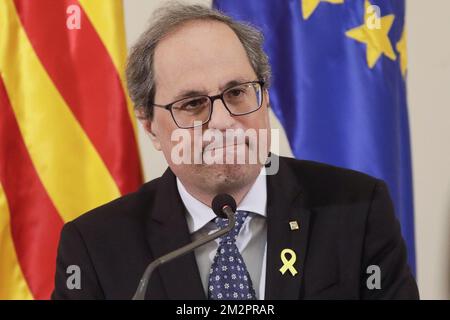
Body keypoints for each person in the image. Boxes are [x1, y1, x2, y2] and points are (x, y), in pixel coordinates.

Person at [52, 3, 419, 300]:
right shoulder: (95, 247)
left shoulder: (358, 208)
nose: (224, 121)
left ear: (263, 97)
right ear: (151, 127)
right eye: (194, 103)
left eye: (237, 92)